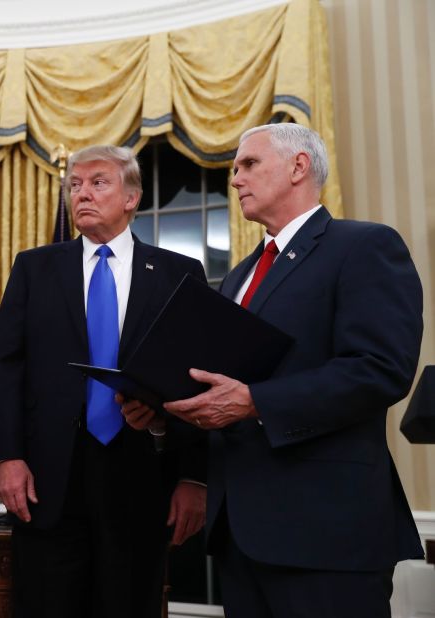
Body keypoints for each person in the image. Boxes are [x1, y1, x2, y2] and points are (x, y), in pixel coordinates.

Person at [151, 123, 424, 617]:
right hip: (239, 534)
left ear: (299, 166)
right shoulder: (240, 274)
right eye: (235, 168)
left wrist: (256, 402)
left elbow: (381, 369)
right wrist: (162, 409)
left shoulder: (363, 246)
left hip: (327, 533)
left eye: (249, 164)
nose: (235, 178)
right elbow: (223, 385)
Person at [0, 145, 208, 618]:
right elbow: (6, 367)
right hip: (46, 480)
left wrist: (192, 475)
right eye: (75, 185)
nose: (82, 193)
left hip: (143, 473)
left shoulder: (178, 274)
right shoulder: (34, 268)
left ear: (132, 197)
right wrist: (7, 457)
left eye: (98, 182)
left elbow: (195, 378)